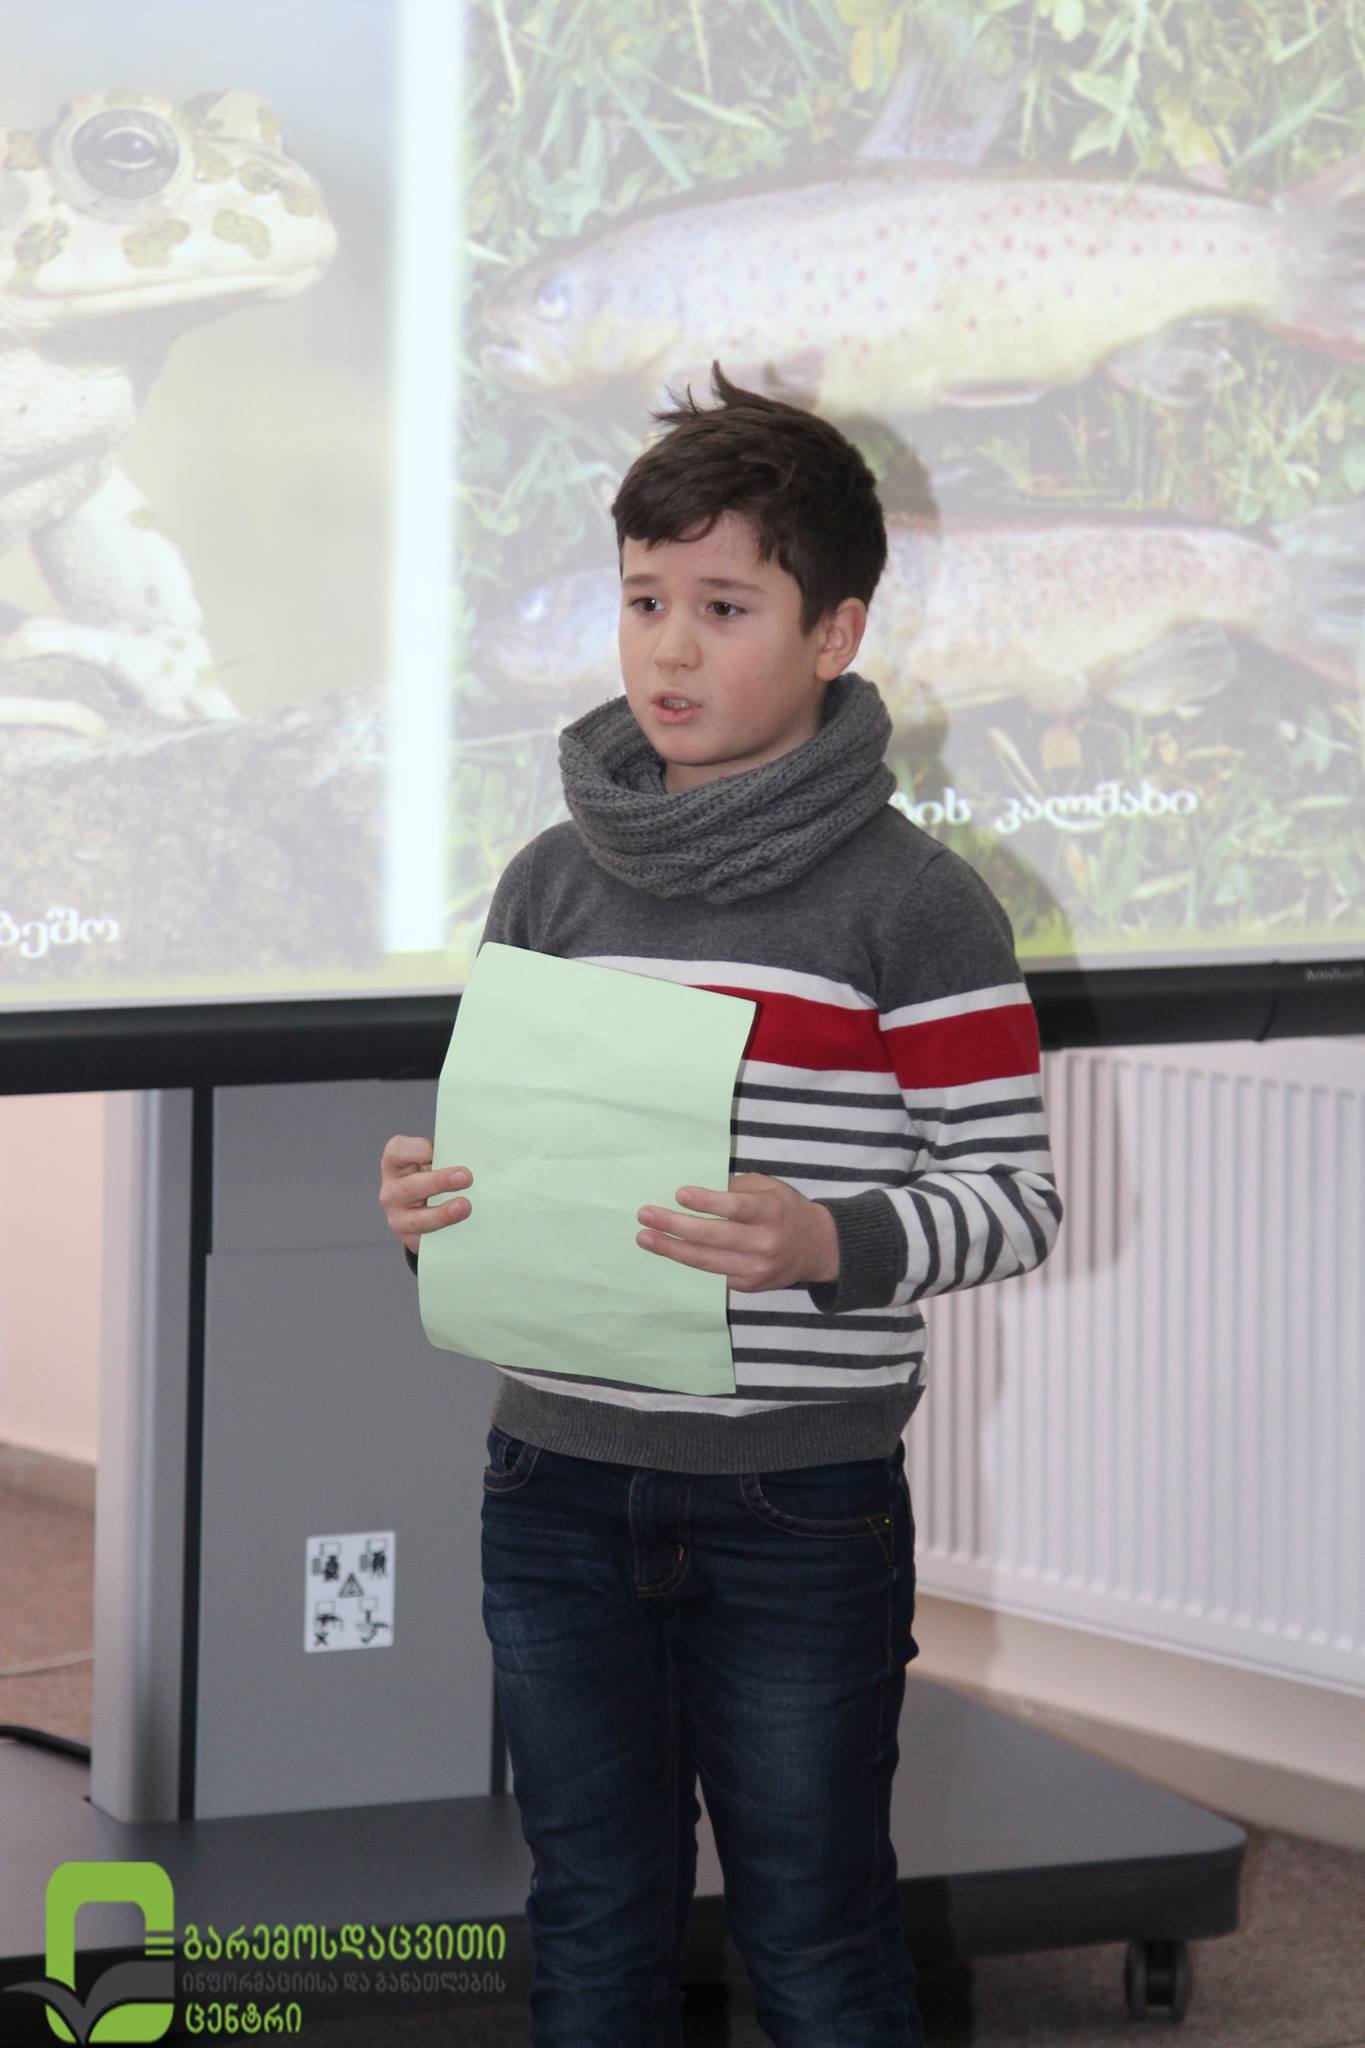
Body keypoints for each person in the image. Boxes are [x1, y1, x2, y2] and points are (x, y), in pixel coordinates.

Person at [378, 361, 1063, 2047]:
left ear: (835, 634)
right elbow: (509, 1155)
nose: (667, 649)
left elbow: (1013, 1198)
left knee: (813, 1933)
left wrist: (829, 1239)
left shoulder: (915, 905)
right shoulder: (549, 880)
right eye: (642, 602)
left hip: (796, 1505)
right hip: (551, 1483)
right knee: (590, 1919)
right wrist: (436, 1207)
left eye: (722, 606)